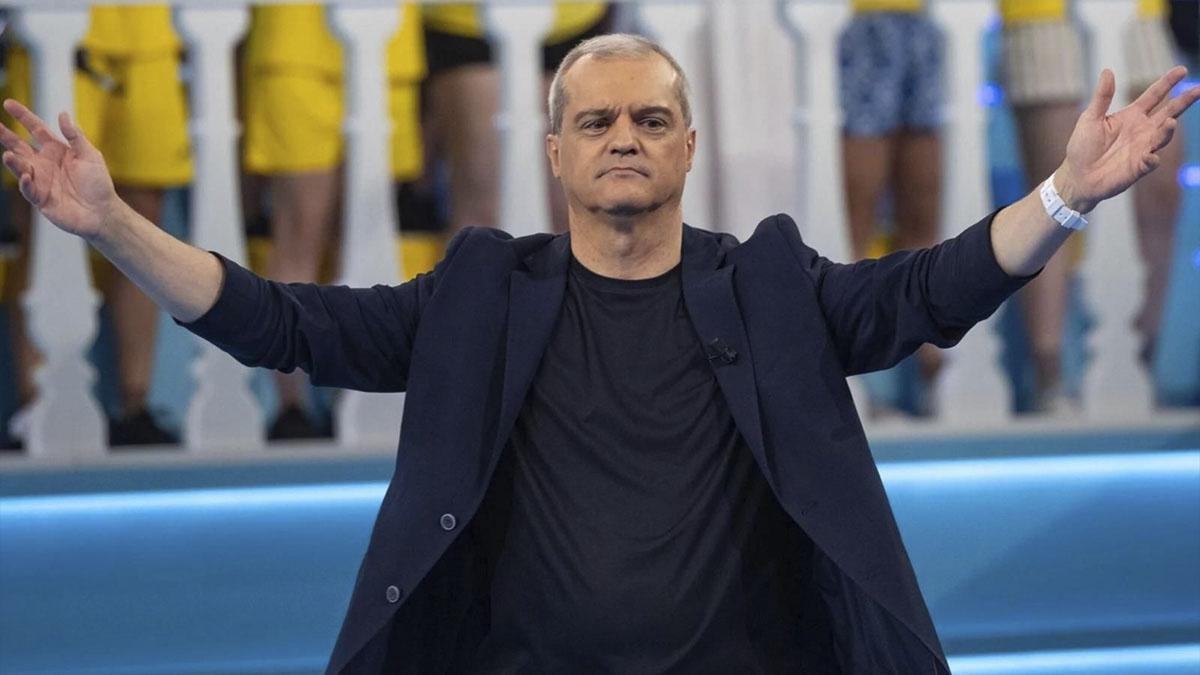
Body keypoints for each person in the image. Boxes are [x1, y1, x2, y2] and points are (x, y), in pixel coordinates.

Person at [3, 32, 1195, 674]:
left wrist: (1067, 195)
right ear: (558, 156)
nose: (624, 136)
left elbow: (932, 290)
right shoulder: (480, 294)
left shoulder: (769, 285)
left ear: (687, 149)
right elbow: (282, 321)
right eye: (597, 121)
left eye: (650, 119)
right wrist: (110, 226)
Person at [238, 3, 434, 439]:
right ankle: (292, 408)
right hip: (294, 44)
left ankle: (358, 396)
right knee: (300, 230)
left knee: (367, 237)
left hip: (388, 50)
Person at [0, 5, 189, 445]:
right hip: (47, 27)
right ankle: (35, 404)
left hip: (151, 33)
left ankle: (136, 404)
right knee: (41, 209)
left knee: (143, 217)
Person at [1000, 0, 1187, 410]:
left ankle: (1147, 355)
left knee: (1161, 187)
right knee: (1053, 196)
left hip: (1142, 15)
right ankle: (1050, 376)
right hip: (1043, 15)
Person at [838, 0, 946, 415]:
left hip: (924, 24)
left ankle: (928, 375)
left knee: (922, 211)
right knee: (858, 218)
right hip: (860, 23)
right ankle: (860, 382)